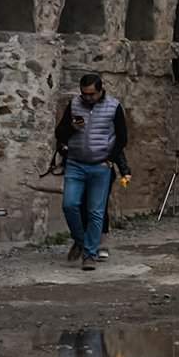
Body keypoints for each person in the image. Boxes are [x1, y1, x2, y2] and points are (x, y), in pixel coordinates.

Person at [54, 73, 128, 271]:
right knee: (69, 205)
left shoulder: (114, 107)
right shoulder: (74, 104)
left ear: (100, 90)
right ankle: (81, 240)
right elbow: (59, 133)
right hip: (76, 163)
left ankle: (89, 255)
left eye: (92, 94)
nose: (88, 98)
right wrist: (71, 127)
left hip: (100, 166)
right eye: (84, 94)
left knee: (95, 212)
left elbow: (122, 138)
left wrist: (110, 159)